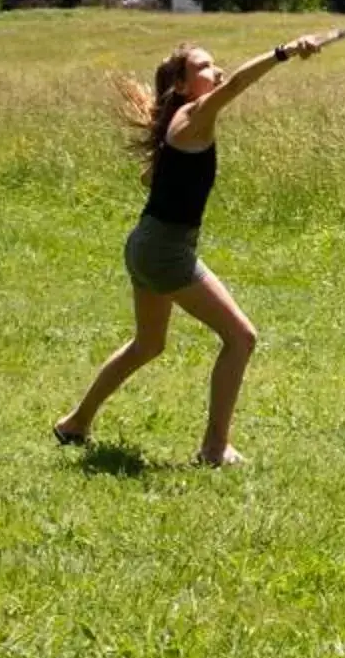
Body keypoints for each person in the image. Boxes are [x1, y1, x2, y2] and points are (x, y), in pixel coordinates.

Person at [55, 29, 327, 466]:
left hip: (145, 245)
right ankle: (215, 448)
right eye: (203, 67)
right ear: (181, 86)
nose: (215, 70)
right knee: (241, 338)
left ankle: (75, 422)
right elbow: (237, 85)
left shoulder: (177, 125)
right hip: (164, 252)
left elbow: (154, 179)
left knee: (147, 346)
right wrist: (284, 52)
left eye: (213, 63)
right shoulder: (195, 115)